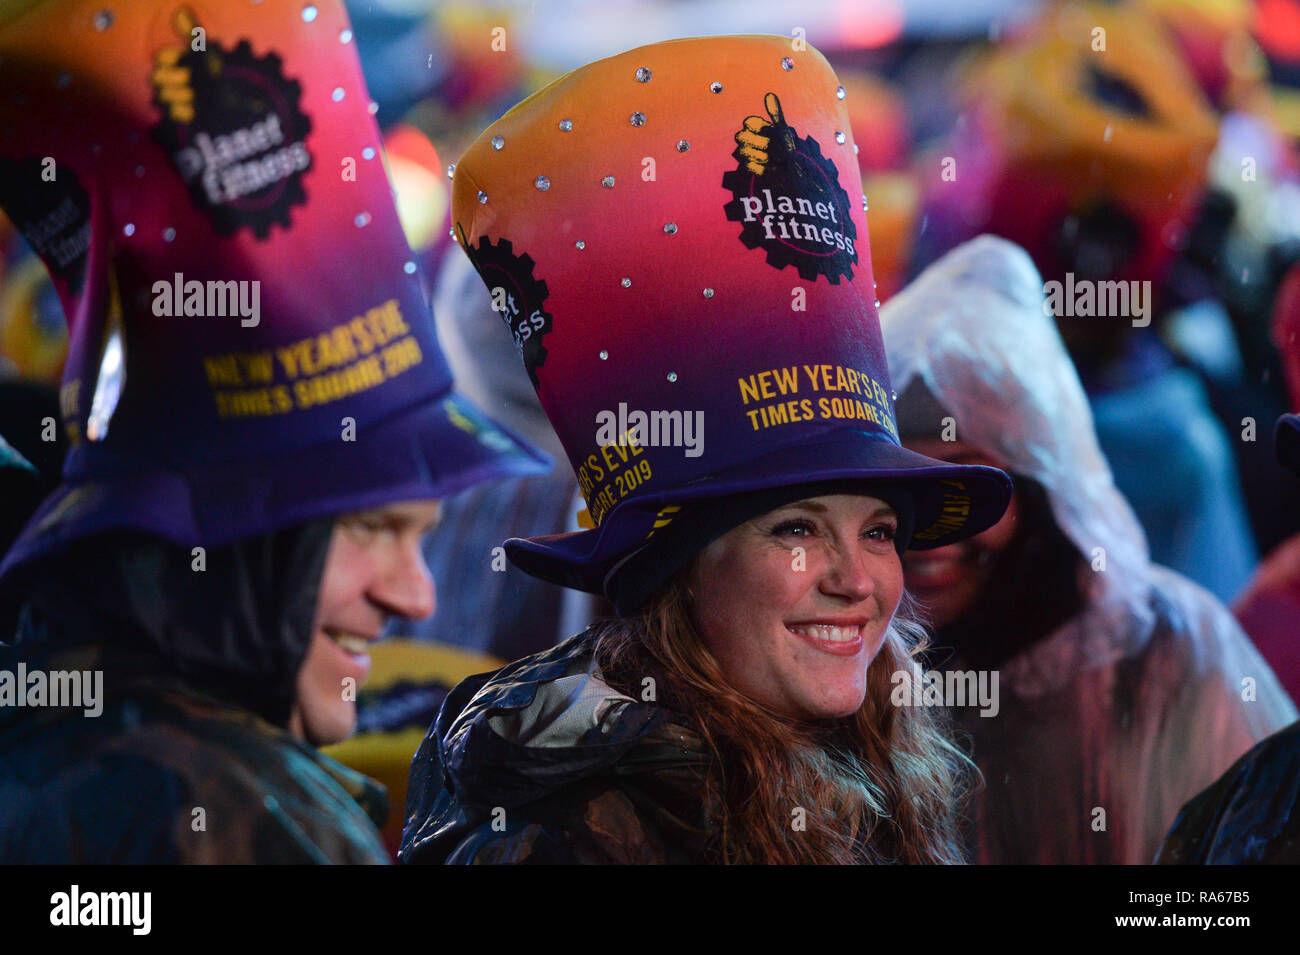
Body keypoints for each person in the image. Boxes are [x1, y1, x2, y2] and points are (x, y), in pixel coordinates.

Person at [400, 35, 1014, 865]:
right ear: (678, 564)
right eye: (795, 527)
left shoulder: (867, 769)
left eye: (878, 530)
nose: (857, 578)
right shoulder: (570, 840)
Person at [0, 0, 546, 863]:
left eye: (420, 538)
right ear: (224, 531)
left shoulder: (66, 726)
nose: (416, 598)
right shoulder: (234, 815)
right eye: (372, 527)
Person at [881, 234, 1296, 864]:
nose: (930, 531)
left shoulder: (1165, 650)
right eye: (902, 490)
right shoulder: (855, 675)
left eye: (970, 485)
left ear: (1045, 491)